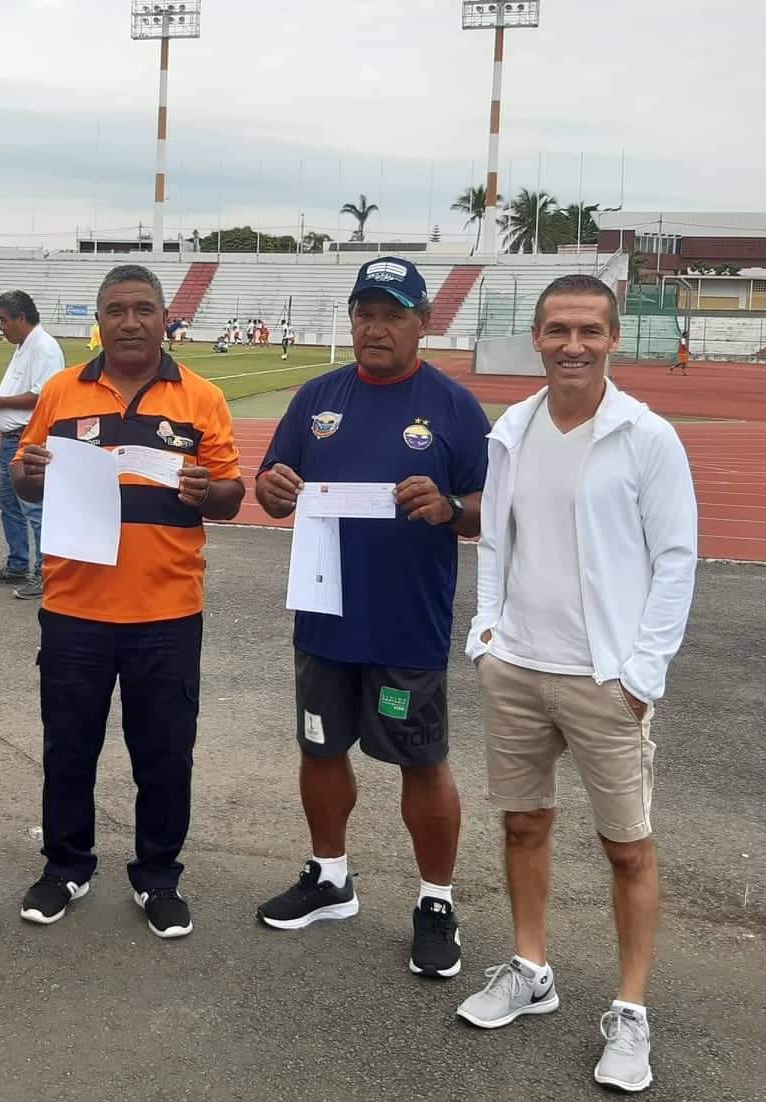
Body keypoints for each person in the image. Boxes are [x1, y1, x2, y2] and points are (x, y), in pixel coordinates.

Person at [457, 274, 698, 1094]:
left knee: (625, 847)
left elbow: (675, 560)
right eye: (557, 329)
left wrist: (640, 674)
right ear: (536, 336)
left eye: (588, 330)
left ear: (612, 338)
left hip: (605, 677)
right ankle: (530, 968)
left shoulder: (645, 437)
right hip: (517, 664)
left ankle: (629, 1011)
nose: (572, 345)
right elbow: (494, 541)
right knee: (523, 824)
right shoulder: (512, 429)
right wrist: (486, 634)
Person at [254, 256, 490, 979]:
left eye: (392, 314)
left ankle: (435, 901)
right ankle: (329, 877)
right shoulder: (316, 398)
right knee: (320, 749)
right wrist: (272, 488)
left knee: (420, 761)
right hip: (324, 619)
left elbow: (490, 509)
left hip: (404, 624)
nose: (375, 327)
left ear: (423, 323)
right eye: (365, 312)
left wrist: (450, 509)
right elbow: (269, 492)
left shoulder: (453, 407)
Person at [11, 263, 244, 938]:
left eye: (144, 308)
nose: (131, 321)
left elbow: (230, 497)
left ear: (164, 317)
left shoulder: (200, 398)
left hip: (166, 612)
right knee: (67, 748)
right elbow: (29, 483)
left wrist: (207, 490)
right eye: (116, 309)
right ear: (100, 319)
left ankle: (158, 876)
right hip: (75, 609)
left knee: (165, 754)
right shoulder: (60, 391)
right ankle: (65, 868)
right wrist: (28, 473)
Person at [0, 290, 66, 600]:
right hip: (12, 437)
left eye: (3, 320)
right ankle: (18, 563)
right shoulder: (26, 345)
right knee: (10, 504)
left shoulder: (44, 347)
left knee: (34, 506)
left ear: (20, 318)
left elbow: (43, 395)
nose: (0, 326)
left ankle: (45, 572)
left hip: (28, 436)